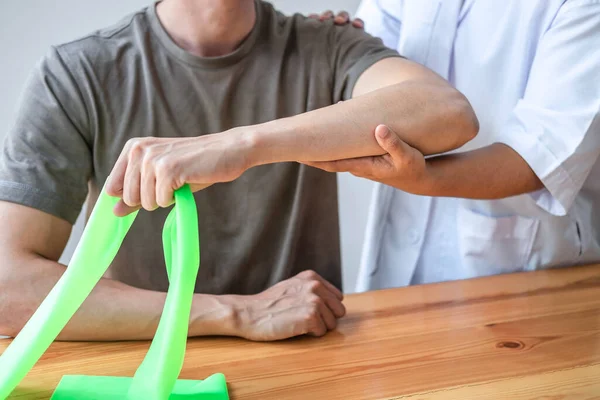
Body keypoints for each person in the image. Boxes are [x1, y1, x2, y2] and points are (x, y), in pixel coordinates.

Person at [0, 0, 478, 341]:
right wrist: (232, 313)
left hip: (306, 355)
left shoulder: (328, 44)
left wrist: (242, 145)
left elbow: (448, 113)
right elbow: (8, 290)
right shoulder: (76, 73)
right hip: (139, 363)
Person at [308, 0, 600, 291]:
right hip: (397, 258)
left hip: (518, 271)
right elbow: (362, 65)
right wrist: (336, 43)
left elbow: (539, 159)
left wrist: (423, 178)